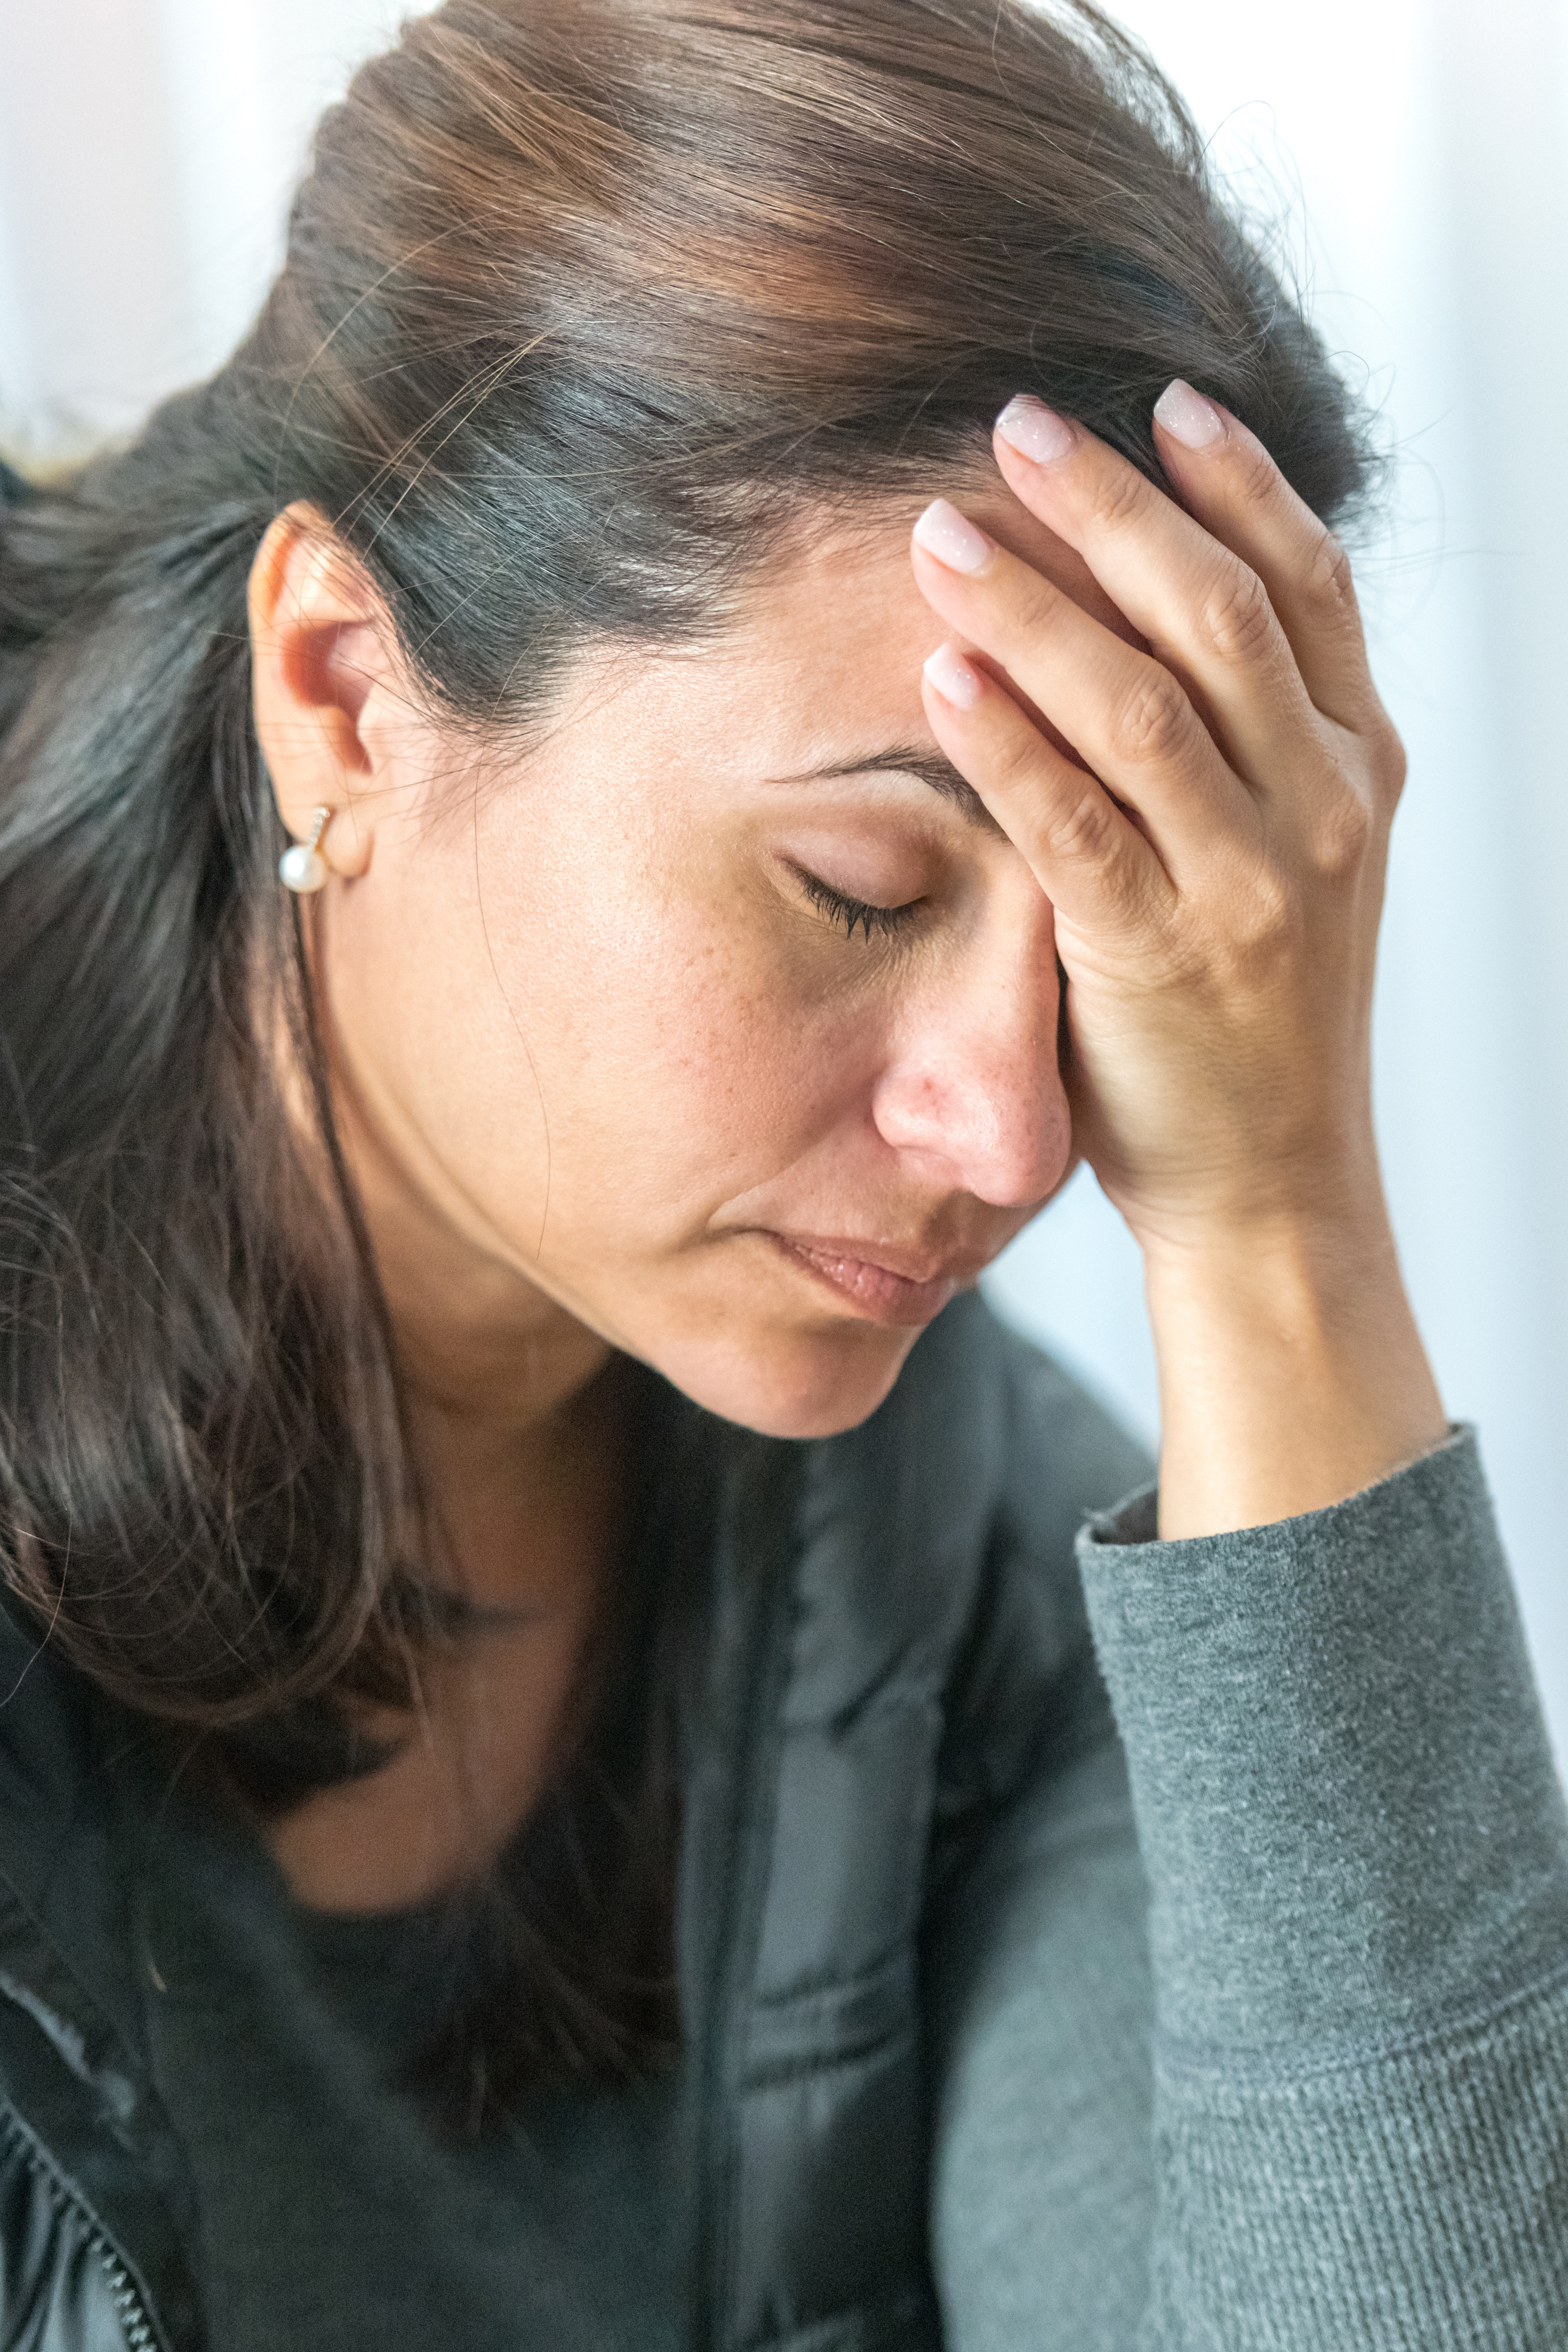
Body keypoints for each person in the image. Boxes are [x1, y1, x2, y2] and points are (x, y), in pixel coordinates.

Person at [0, 0, 1564, 2344]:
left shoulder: (962, 1586)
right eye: (857, 887)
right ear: (341, 688)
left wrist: (1275, 1221)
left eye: (1113, 954)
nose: (1011, 1133)